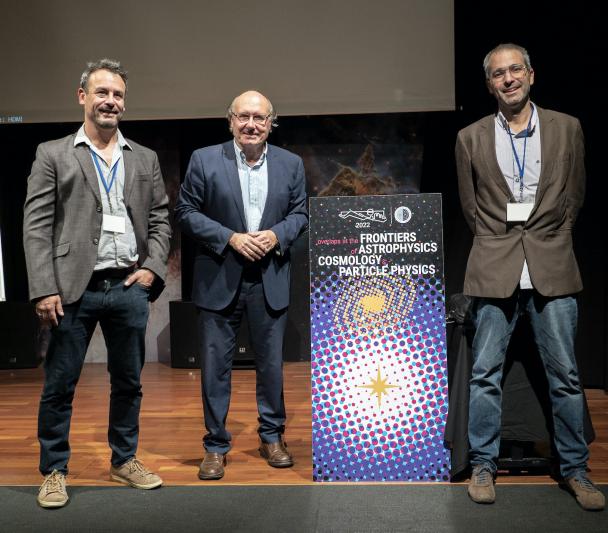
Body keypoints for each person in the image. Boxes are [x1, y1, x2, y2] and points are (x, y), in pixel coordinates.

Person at [455, 43, 605, 511]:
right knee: (484, 375)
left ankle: (575, 471)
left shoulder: (568, 128)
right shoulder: (470, 137)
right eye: (498, 74)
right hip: (494, 266)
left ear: (531, 75)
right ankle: (483, 464)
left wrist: (551, 238)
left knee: (565, 376)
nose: (508, 79)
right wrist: (499, 242)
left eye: (515, 69)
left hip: (552, 264)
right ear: (490, 84)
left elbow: (574, 197)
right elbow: (470, 206)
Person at [23, 59, 171, 508]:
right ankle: (53, 471)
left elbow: (161, 218)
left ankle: (124, 459)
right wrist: (44, 287)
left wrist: (154, 268)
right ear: (82, 96)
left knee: (128, 381)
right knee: (60, 385)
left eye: (118, 95)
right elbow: (36, 226)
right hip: (73, 290)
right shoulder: (53, 153)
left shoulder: (143, 157)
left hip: (128, 287)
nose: (111, 101)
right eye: (102, 92)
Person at [175, 90, 308, 480]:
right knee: (215, 367)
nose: (252, 124)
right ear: (230, 120)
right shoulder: (204, 159)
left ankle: (272, 437)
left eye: (260, 118)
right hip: (220, 275)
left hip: (270, 279)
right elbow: (186, 211)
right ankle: (215, 445)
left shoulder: (291, 163)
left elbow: (301, 212)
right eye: (244, 117)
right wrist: (231, 238)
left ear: (271, 124)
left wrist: (276, 235)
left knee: (271, 367)